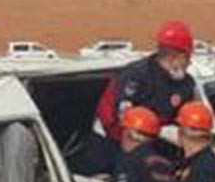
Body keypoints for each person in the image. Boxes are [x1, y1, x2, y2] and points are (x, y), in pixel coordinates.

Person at [83, 20, 199, 173]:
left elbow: (187, 118)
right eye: (187, 58)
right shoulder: (135, 76)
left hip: (155, 149)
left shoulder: (186, 84)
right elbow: (123, 117)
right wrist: (158, 130)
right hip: (112, 145)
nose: (189, 63)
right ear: (174, 57)